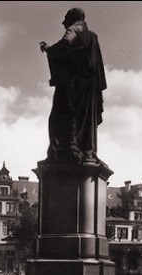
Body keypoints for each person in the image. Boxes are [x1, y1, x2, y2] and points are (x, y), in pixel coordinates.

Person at [39, 8, 106, 162]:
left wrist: (49, 49)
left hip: (72, 84)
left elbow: (66, 42)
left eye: (65, 19)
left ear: (72, 18)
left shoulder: (74, 28)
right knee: (86, 120)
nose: (63, 23)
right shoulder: (91, 36)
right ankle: (86, 151)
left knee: (57, 117)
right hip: (88, 88)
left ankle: (60, 151)